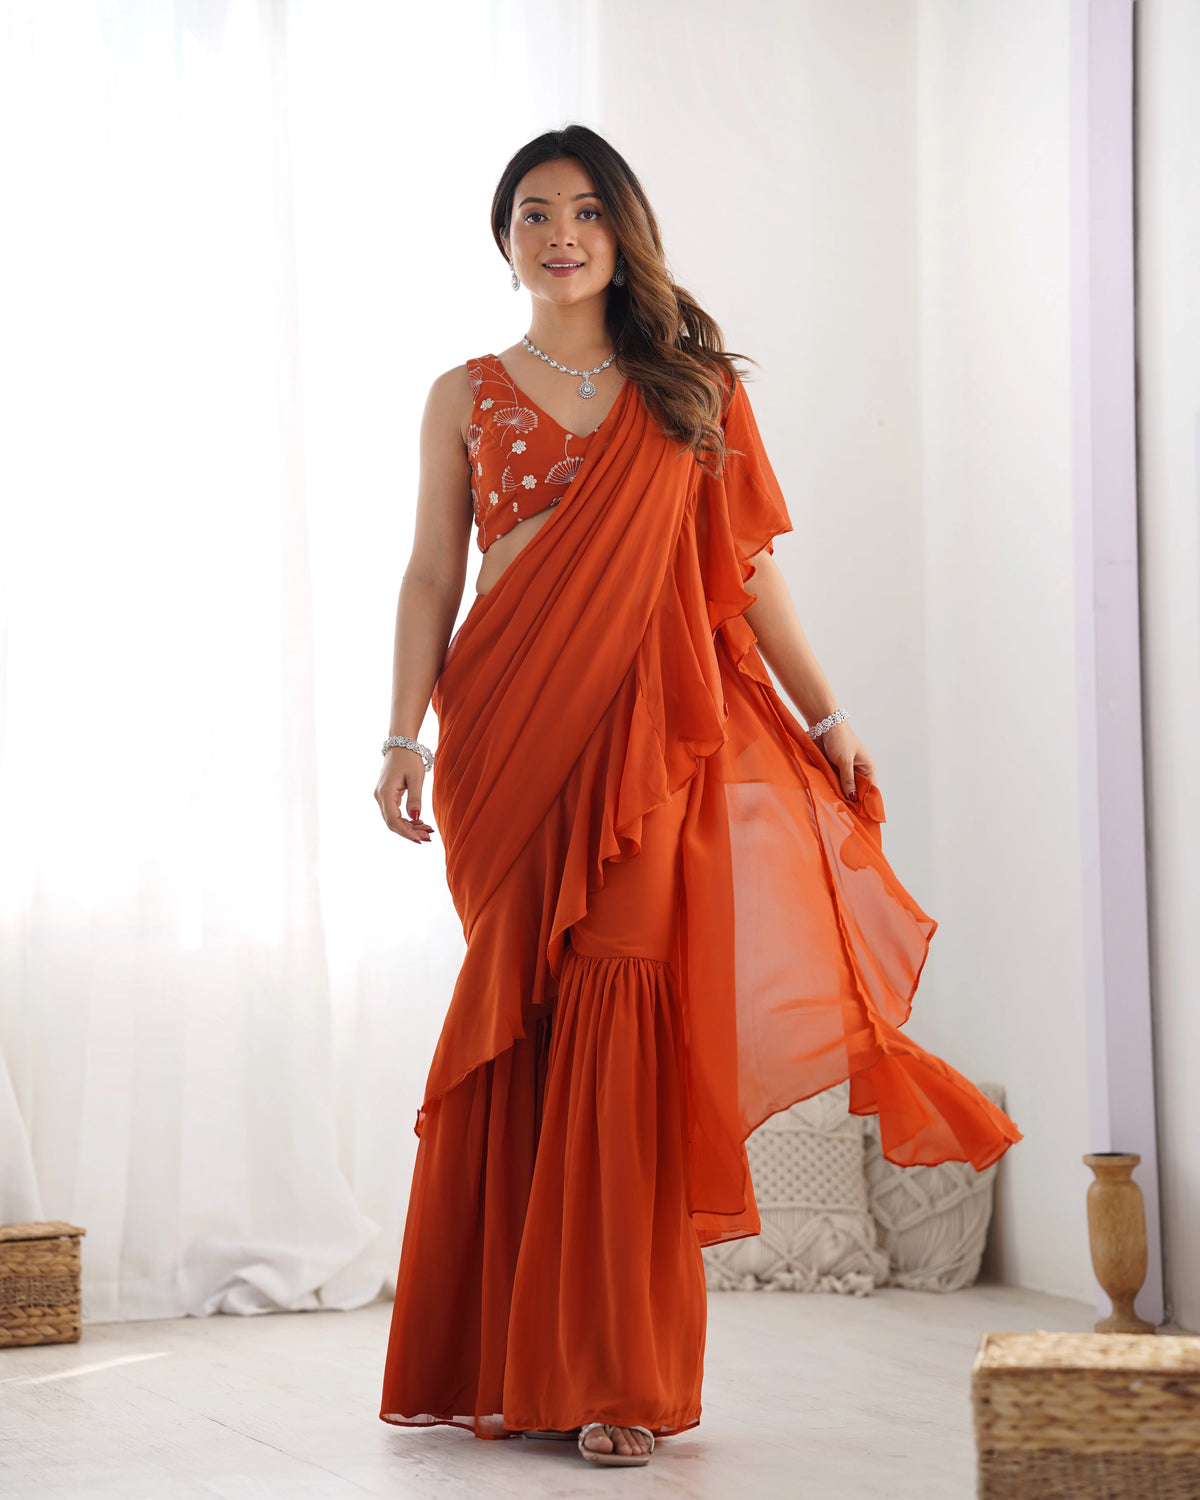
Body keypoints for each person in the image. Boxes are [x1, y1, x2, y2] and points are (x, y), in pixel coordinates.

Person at [374, 124, 1021, 1470]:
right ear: (504, 239)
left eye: (588, 211)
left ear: (625, 232)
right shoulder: (462, 392)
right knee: (530, 1028)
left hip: (651, 742)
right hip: (502, 735)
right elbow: (434, 575)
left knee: (615, 1015)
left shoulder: (692, 387)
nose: (562, 234)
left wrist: (826, 714)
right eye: (536, 212)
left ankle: (617, 1374)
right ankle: (504, 1361)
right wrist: (404, 738)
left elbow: (747, 574)